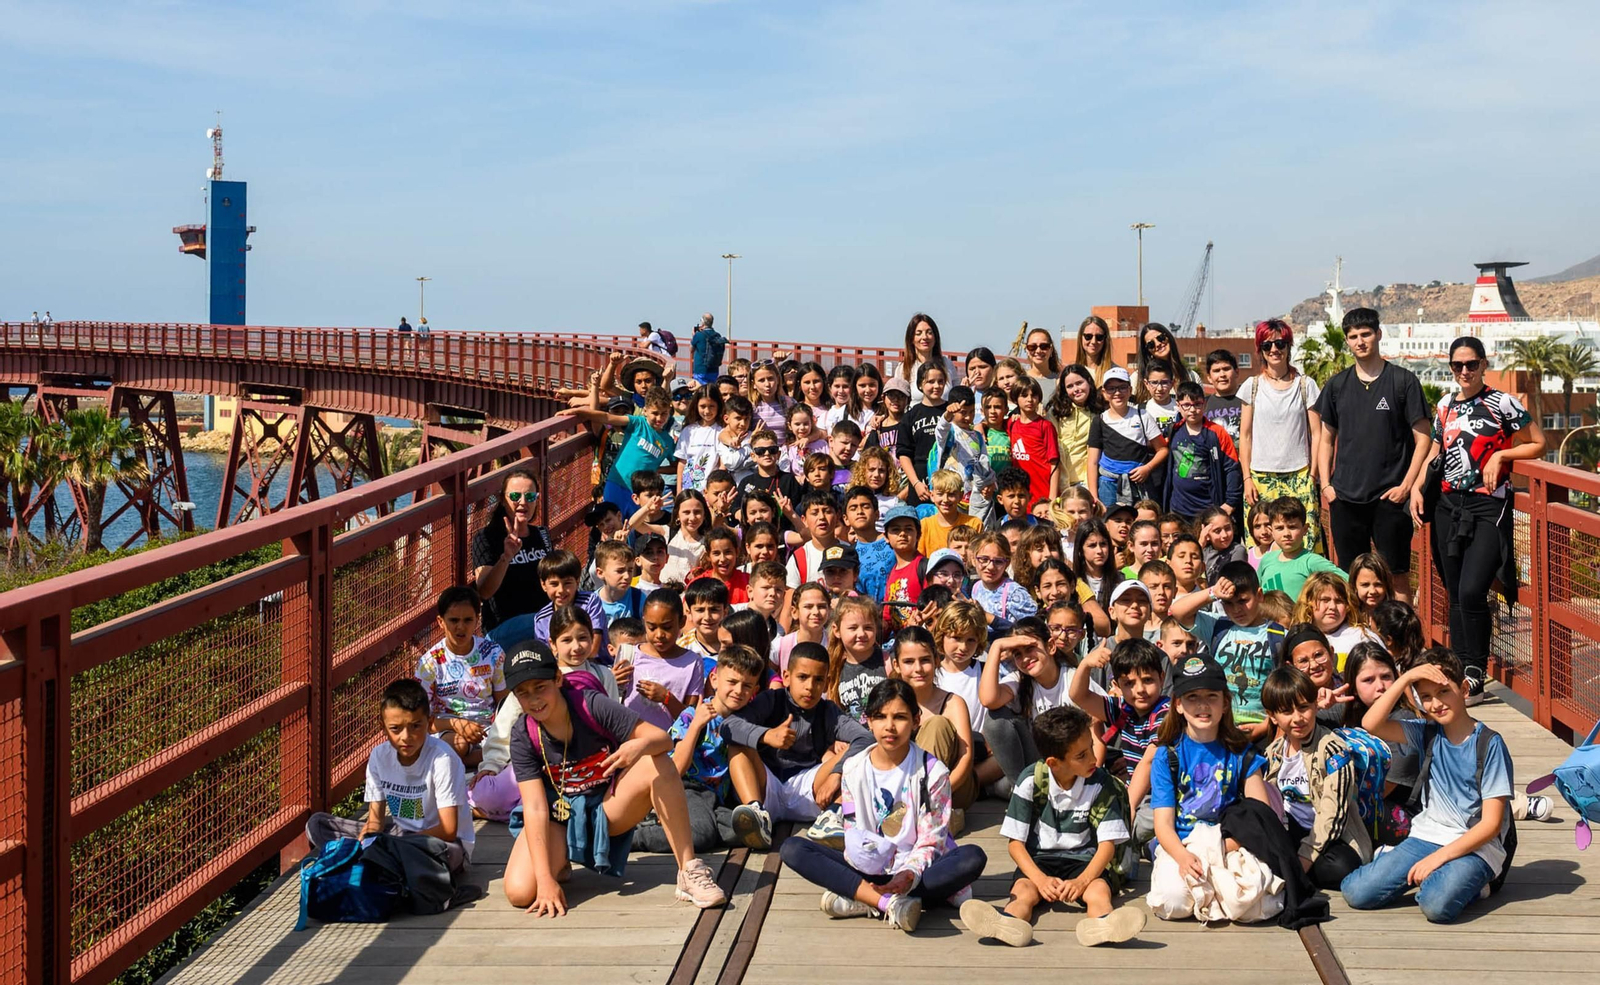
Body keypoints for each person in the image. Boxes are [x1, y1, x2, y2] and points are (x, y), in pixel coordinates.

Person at [500, 643, 728, 914]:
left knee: (656, 762)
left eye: (541, 687)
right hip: (557, 817)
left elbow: (663, 739)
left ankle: (688, 870)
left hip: (608, 806)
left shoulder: (591, 704)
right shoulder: (523, 734)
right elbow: (535, 808)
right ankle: (557, 862)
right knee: (520, 892)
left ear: (558, 679)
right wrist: (545, 881)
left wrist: (637, 746)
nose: (535, 700)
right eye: (523, 693)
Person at [780, 679, 986, 932]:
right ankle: (886, 902)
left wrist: (909, 873)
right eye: (880, 717)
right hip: (870, 867)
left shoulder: (933, 773)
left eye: (900, 717)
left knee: (972, 857)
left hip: (917, 870)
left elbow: (932, 839)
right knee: (793, 848)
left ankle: (864, 898)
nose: (889, 727)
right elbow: (853, 829)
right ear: (867, 720)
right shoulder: (853, 768)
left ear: (916, 720)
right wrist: (866, 861)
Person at [1410, 335, 1546, 704]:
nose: (1465, 371)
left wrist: (1502, 457)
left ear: (1484, 364)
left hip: (1489, 505)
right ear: (1451, 368)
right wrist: (1419, 487)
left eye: (1472, 364)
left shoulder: (1501, 402)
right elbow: (1436, 450)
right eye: (1458, 365)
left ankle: (1476, 670)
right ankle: (1461, 668)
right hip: (1447, 505)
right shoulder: (1445, 405)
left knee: (1472, 589)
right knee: (1454, 591)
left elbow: (1537, 442)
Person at [1341, 649, 1515, 923]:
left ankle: (1472, 881)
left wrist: (1438, 859)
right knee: (1356, 892)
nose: (1436, 704)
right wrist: (1406, 677)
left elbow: (1491, 825)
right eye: (1426, 697)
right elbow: (1370, 723)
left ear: (1464, 689)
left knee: (1435, 905)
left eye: (1444, 692)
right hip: (1427, 835)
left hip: (1475, 846)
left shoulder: (1489, 744)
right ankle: (1435, 873)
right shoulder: (1426, 733)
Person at [959, 705, 1143, 948]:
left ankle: (1103, 925)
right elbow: (1016, 845)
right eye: (1081, 755)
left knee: (1098, 892)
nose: (1092, 759)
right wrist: (1040, 879)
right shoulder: (1030, 781)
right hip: (1040, 861)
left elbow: (1107, 846)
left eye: (1091, 748)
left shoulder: (1101, 784)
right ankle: (1008, 921)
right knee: (1024, 890)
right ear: (1054, 763)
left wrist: (1083, 881)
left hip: (1085, 860)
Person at [1144, 655, 1277, 923]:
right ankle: (1206, 894)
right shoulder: (1167, 755)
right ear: (1178, 705)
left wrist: (1221, 848)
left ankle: (1211, 896)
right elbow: (1163, 825)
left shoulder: (1243, 753)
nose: (1203, 705)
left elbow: (1260, 815)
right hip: (1181, 843)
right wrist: (1182, 857)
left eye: (1212, 696)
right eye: (1192, 697)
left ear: (1225, 703)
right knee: (1173, 902)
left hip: (1228, 842)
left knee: (1252, 906)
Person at [1315, 308, 1430, 599]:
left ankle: (1400, 642)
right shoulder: (1337, 386)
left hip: (1390, 498)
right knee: (1350, 578)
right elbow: (1325, 439)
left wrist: (1406, 486)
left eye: (1365, 334)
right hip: (1345, 498)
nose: (1360, 341)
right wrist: (1327, 486)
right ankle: (1358, 641)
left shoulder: (1403, 381)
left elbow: (1424, 439)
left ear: (1378, 335)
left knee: (1395, 575)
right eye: (1353, 337)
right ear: (1347, 341)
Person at [305, 678, 472, 876]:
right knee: (318, 825)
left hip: (441, 844)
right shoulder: (378, 756)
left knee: (443, 855)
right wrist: (367, 839)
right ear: (382, 726)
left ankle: (379, 862)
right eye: (395, 729)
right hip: (400, 834)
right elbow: (376, 822)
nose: (406, 737)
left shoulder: (442, 759)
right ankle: (377, 860)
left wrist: (389, 844)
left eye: (416, 726)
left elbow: (448, 829)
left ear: (429, 722)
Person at [725, 642, 875, 840]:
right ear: (787, 677)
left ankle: (832, 816)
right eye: (802, 677)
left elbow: (866, 738)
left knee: (856, 757)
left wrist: (836, 774)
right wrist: (767, 736)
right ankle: (756, 813)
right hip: (767, 785)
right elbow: (729, 725)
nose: (810, 687)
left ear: (827, 682)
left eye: (818, 680)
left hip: (810, 789)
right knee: (738, 745)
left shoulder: (828, 711)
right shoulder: (772, 700)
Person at [1261, 666, 1371, 890]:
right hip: (1291, 829)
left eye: (1304, 708)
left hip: (1330, 835)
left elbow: (1333, 813)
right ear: (1272, 717)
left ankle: (1293, 870)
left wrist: (1303, 861)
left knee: (1341, 867)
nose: (1298, 718)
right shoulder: (1273, 752)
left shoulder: (1332, 749)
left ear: (1315, 706)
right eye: (1286, 711)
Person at [1168, 561, 1285, 742]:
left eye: (1243, 601)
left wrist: (1265, 726)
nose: (1237, 609)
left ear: (1259, 595)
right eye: (1228, 603)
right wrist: (1212, 592)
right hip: (1220, 727)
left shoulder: (1278, 635)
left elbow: (1285, 689)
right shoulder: (1218, 626)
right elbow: (1177, 611)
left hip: (1265, 730)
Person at [1238, 319, 1324, 554]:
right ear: (1260, 350)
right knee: (1262, 545)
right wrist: (1247, 478)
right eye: (1267, 346)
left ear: (1288, 347)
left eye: (1280, 343)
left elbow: (1317, 434)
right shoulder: (1252, 386)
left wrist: (1313, 475)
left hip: (1300, 476)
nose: (1274, 350)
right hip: (1260, 478)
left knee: (1304, 544)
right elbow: (1244, 436)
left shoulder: (1306, 385)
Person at [669, 643, 767, 850]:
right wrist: (696, 725)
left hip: (716, 800)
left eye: (747, 685)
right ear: (714, 679)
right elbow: (676, 769)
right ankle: (638, 834)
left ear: (755, 690)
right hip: (687, 790)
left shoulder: (746, 722)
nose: (738, 691)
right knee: (700, 836)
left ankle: (701, 828)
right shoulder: (692, 715)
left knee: (745, 830)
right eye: (732, 682)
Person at [561, 369, 676, 519]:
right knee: (609, 521)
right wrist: (579, 413)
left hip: (640, 492)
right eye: (655, 413)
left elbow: (675, 466)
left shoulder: (667, 441)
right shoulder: (637, 423)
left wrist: (657, 469)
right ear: (645, 410)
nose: (659, 418)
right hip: (616, 482)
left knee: (632, 530)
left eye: (664, 413)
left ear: (669, 412)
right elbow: (607, 417)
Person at [416, 586, 507, 767]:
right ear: (441, 622)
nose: (460, 627)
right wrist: (456, 724)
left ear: (477, 620)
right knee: (458, 745)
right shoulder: (429, 663)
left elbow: (503, 702)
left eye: (467, 620)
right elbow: (421, 721)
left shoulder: (493, 653)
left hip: (488, 728)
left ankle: (471, 761)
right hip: (447, 729)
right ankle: (488, 758)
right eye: (453, 620)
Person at [472, 469, 554, 652]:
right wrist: (506, 557)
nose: (523, 502)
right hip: (503, 630)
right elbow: (484, 591)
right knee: (556, 622)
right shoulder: (487, 538)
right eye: (516, 496)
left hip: (544, 620)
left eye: (530, 496)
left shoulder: (541, 534)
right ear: (502, 499)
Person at [1086, 368, 1167, 509]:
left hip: (1139, 484)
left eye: (1122, 387)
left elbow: (1162, 449)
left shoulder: (1143, 416)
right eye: (1111, 389)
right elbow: (1092, 462)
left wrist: (1147, 468)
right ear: (1104, 393)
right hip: (1108, 486)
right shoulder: (1099, 421)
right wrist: (1094, 495)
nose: (1117, 393)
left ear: (1130, 390)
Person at [1165, 380, 1243, 522]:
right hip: (1179, 509)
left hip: (1209, 509)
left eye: (1197, 404)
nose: (1192, 410)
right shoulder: (1174, 430)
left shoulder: (1217, 432)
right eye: (1186, 405)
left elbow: (1232, 468)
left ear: (1204, 404)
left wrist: (1231, 502)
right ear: (1178, 406)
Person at [1257, 496, 1347, 602]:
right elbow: (1254, 593)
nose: (1286, 534)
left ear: (1304, 529)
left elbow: (1349, 582)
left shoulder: (1311, 561)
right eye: (1279, 528)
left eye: (1292, 527)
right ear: (1271, 531)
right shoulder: (1266, 560)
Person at [896, 361, 950, 505]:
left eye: (940, 381)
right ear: (920, 385)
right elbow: (904, 454)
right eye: (930, 382)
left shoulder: (951, 411)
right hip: (920, 481)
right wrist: (916, 484)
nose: (936, 386)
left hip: (948, 477)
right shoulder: (911, 416)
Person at [1046, 364, 1105, 489]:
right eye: (1070, 386)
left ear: (1088, 382)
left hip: (1088, 481)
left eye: (1079, 383)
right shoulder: (1056, 412)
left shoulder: (1099, 412)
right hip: (1061, 480)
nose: (1076, 389)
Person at [891, 312, 960, 387]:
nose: (924, 337)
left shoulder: (946, 364)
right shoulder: (903, 369)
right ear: (911, 339)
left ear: (935, 337)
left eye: (929, 332)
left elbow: (956, 393)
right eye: (918, 333)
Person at [1133, 323, 1191, 399]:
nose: (1158, 344)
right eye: (1151, 344)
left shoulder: (1191, 376)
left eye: (1161, 338)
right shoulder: (1137, 378)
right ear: (1147, 351)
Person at [1202, 349, 1244, 446]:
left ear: (1237, 372)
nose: (1222, 375)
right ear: (1209, 377)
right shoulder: (1203, 405)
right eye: (1216, 371)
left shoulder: (1248, 401)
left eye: (1226, 369)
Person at [1071, 316, 1118, 385]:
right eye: (1088, 336)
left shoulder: (1115, 373)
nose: (1093, 341)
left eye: (1099, 337)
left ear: (1105, 340)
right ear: (1080, 337)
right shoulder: (1072, 373)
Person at [1021, 326, 1063, 404]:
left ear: (1051, 349)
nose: (1038, 351)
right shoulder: (1019, 380)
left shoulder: (1060, 381)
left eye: (1044, 346)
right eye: (1032, 347)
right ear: (1026, 350)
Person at [690, 313, 727, 385]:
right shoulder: (717, 335)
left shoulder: (698, 335)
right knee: (711, 389)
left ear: (703, 322)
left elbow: (691, 350)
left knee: (700, 389)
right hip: (714, 368)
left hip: (700, 368)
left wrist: (693, 336)